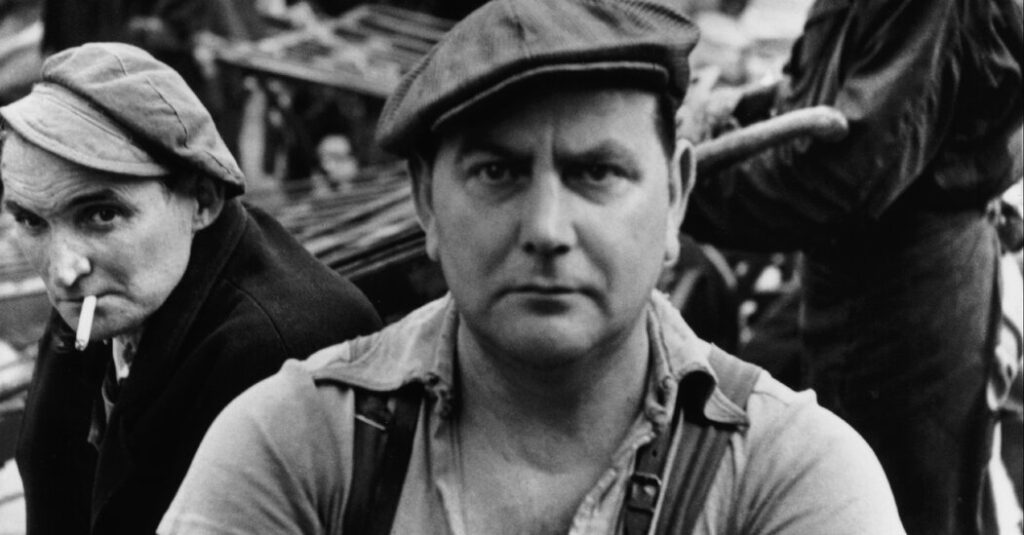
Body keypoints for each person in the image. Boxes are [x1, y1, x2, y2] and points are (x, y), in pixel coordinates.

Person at [159, 1, 904, 533]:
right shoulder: (299, 445)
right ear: (426, 202)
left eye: (597, 173)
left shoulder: (789, 471)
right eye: (498, 172)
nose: (547, 230)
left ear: (676, 195)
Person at [0, 42, 381, 534]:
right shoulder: (115, 282)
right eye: (31, 220)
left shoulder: (281, 353)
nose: (62, 271)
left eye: (101, 215)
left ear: (201, 199)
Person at [679, 0, 1023, 533]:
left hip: (909, 295)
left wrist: (676, 195)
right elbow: (825, 86)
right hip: (852, 277)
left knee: (898, 507)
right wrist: (740, 105)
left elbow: (843, 180)